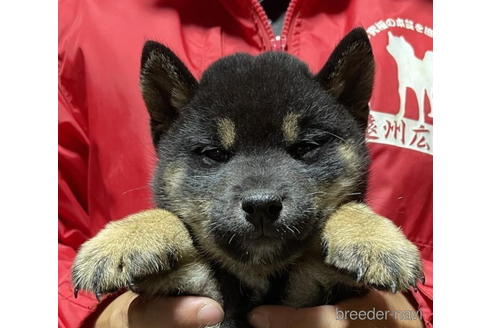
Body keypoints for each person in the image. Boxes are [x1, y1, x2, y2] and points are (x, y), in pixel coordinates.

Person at [59, 0, 433, 327]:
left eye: (303, 148)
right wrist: (100, 317)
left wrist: (410, 313)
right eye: (216, 154)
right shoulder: (75, 20)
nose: (261, 193)